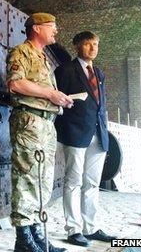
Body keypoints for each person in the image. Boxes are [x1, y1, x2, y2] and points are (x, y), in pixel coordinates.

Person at [6, 12, 74, 252]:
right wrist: (50, 94)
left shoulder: (43, 57)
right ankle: (23, 239)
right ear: (36, 28)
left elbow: (43, 90)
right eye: (51, 26)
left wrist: (60, 99)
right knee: (27, 176)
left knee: (42, 180)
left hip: (45, 123)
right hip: (30, 122)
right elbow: (15, 83)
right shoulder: (21, 52)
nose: (55, 31)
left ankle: (36, 233)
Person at [54, 31, 116, 247]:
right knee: (73, 181)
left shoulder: (98, 72)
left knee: (91, 183)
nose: (93, 48)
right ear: (77, 46)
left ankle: (90, 227)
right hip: (75, 134)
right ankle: (73, 229)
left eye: (96, 44)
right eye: (88, 44)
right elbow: (57, 104)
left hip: (98, 134)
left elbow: (100, 106)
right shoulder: (64, 71)